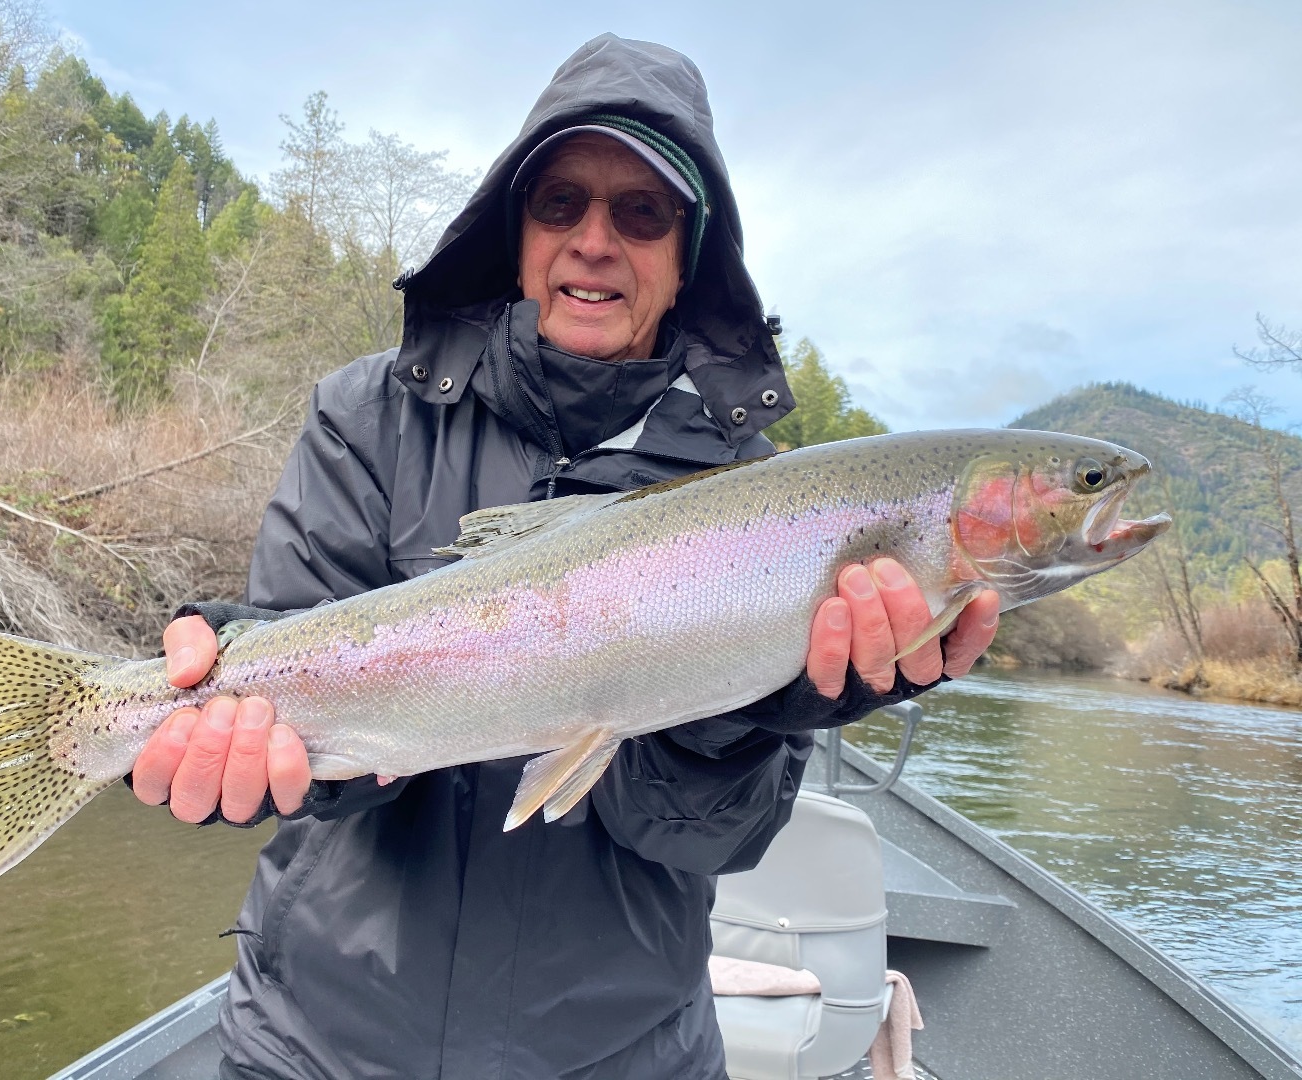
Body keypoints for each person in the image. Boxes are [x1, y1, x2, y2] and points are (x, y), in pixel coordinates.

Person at [132, 35, 998, 1080]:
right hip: (316, 1047)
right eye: (561, 204)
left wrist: (759, 708)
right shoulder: (368, 416)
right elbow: (316, 730)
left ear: (688, 259)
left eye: (641, 214)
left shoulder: (765, 500)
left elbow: (706, 838)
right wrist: (235, 685)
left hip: (621, 1056)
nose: (594, 239)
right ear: (519, 234)